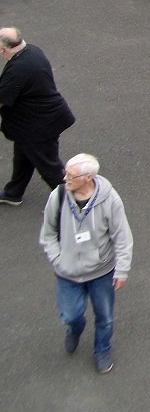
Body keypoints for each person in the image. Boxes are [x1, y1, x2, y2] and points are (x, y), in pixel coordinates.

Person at [39, 153, 133, 374]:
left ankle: (102, 350)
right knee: (71, 314)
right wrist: (58, 259)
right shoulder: (58, 196)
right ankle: (75, 328)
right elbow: (48, 233)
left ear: (88, 177)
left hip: (101, 272)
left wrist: (122, 270)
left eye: (71, 175)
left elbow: (122, 237)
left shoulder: (110, 200)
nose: (65, 179)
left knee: (105, 318)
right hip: (67, 273)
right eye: (66, 174)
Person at [0, 27, 75, 206]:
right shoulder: (32, 51)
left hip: (38, 125)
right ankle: (13, 193)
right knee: (23, 156)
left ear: (3, 50)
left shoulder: (18, 70)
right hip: (40, 120)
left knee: (49, 165)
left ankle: (72, 202)